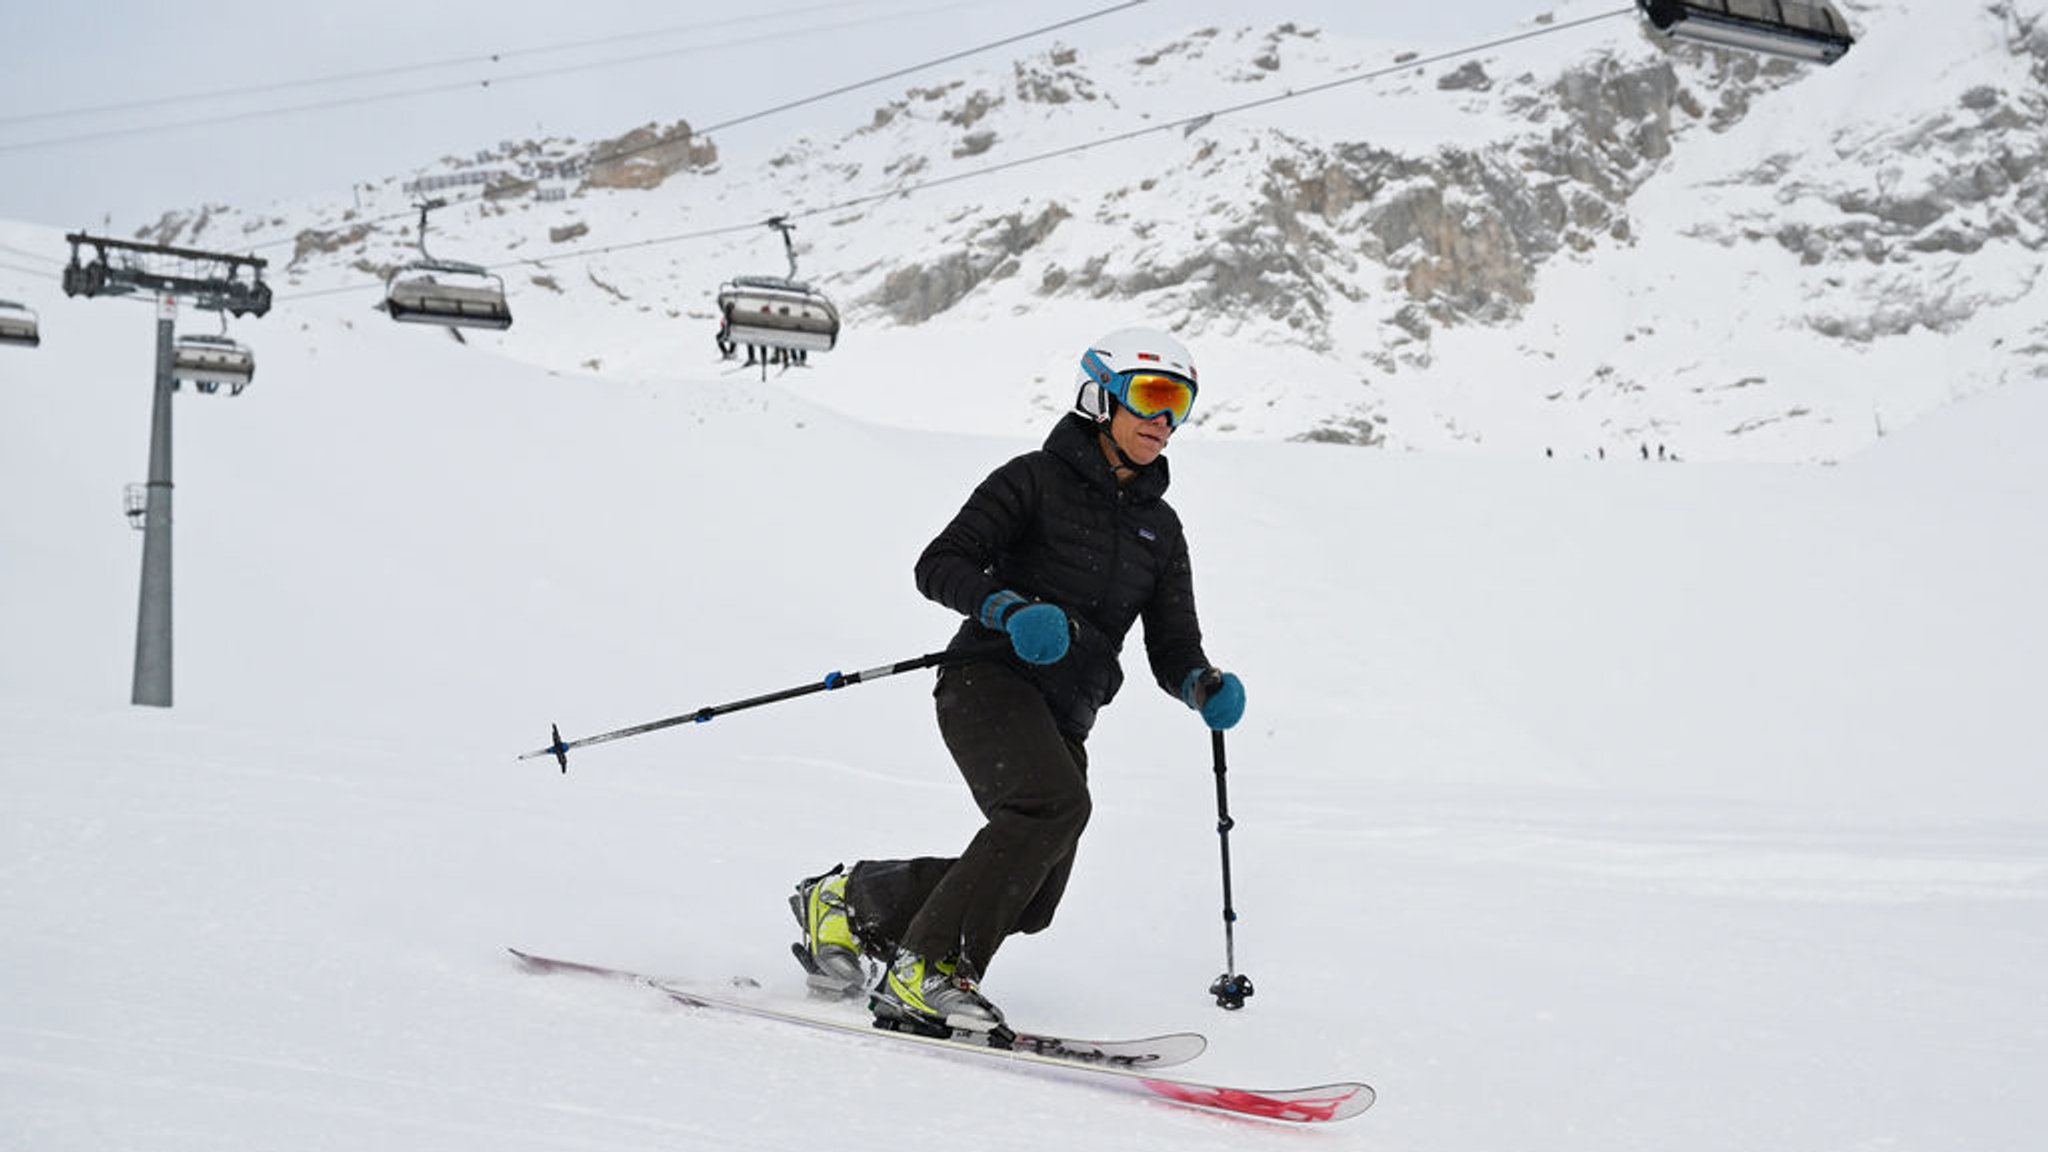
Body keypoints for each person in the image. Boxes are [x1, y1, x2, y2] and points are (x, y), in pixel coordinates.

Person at [789, 326, 1246, 1037]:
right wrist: (1010, 608)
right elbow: (940, 563)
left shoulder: (1163, 528)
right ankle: (927, 970)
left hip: (1068, 713)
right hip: (986, 682)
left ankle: (852, 901)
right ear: (1100, 397)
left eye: (1179, 403)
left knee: (1031, 898)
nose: (1165, 421)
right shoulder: (1031, 480)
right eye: (1152, 396)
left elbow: (1172, 645)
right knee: (1048, 807)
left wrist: (1200, 684)